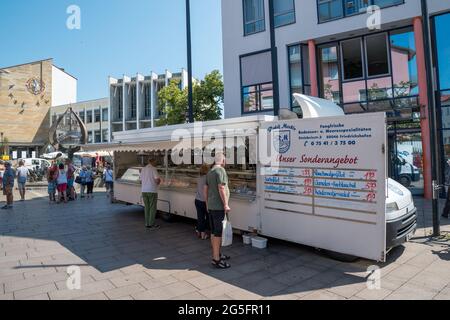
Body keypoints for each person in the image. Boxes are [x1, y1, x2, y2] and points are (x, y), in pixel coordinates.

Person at [205, 152, 231, 269]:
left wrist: (207, 203)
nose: (225, 162)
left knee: (213, 232)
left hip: (211, 206)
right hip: (218, 207)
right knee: (218, 233)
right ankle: (216, 259)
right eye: (225, 160)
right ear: (222, 160)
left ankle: (217, 254)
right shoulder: (220, 171)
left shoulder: (210, 171)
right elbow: (221, 187)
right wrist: (225, 204)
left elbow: (205, 188)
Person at [140, 158, 161, 229]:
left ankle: (147, 223)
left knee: (147, 207)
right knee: (152, 208)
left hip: (144, 191)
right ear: (153, 161)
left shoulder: (143, 169)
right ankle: (151, 224)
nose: (156, 163)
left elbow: (140, 180)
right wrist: (159, 181)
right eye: (156, 161)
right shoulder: (153, 169)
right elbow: (157, 180)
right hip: (152, 190)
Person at [195, 164, 210, 240]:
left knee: (200, 217)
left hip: (197, 200)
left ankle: (199, 231)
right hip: (205, 200)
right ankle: (203, 234)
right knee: (208, 218)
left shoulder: (199, 177)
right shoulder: (207, 178)